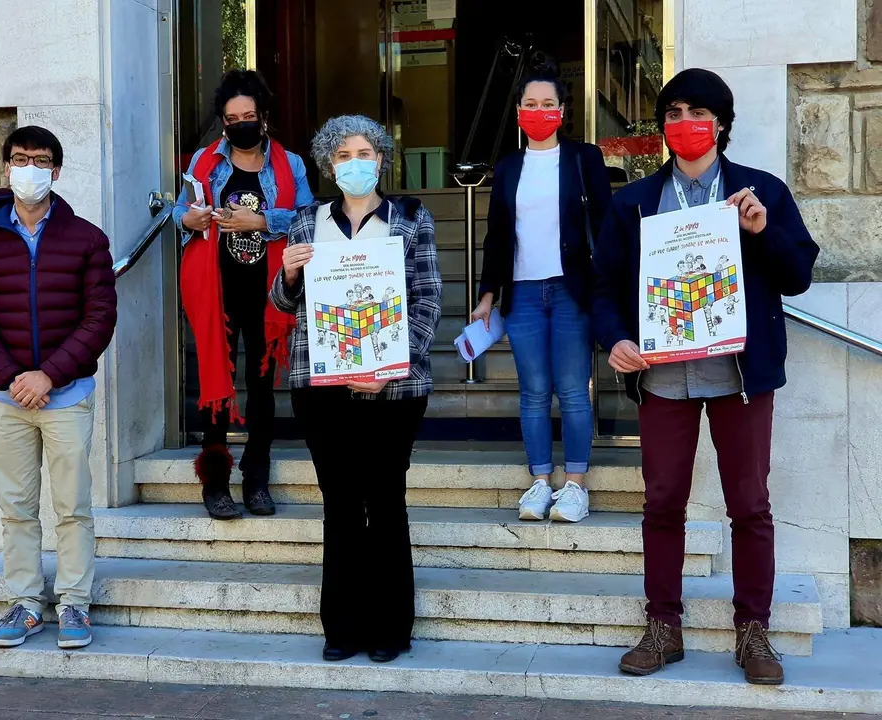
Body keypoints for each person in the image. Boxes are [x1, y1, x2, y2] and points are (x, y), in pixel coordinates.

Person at [592, 68, 820, 685]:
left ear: (720, 124)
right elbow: (605, 287)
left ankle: (754, 630)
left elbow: (798, 275)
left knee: (749, 504)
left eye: (697, 112)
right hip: (663, 377)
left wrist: (762, 231)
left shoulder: (760, 192)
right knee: (662, 502)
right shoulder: (634, 202)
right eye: (672, 113)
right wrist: (615, 338)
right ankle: (662, 626)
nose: (684, 123)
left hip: (739, 376)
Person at [270, 115, 442, 664]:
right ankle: (342, 628)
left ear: (382, 159)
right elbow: (284, 304)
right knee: (340, 503)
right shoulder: (306, 221)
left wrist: (392, 364)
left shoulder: (409, 218)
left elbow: (428, 299)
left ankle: (391, 628)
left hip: (394, 388)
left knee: (385, 500)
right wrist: (288, 275)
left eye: (364, 152)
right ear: (329, 164)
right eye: (343, 155)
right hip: (320, 387)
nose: (354, 163)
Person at [0, 126, 118, 650]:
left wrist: (49, 374)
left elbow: (99, 318)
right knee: (17, 508)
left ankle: (74, 602)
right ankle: (26, 603)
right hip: (6, 399)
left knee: (72, 507)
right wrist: (11, 378)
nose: (31, 169)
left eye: (42, 160)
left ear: (57, 170)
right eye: (21, 159)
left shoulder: (86, 238)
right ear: (6, 167)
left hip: (65, 395)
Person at [472, 60, 611, 524]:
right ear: (518, 111)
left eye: (547, 103)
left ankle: (575, 485)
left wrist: (609, 286)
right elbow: (496, 235)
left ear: (562, 110)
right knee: (532, 391)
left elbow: (604, 226)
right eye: (530, 104)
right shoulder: (509, 166)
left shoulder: (584, 158)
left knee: (572, 389)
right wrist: (487, 295)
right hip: (524, 292)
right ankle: (539, 481)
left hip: (572, 289)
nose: (539, 111)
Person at [174, 69, 314, 520]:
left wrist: (263, 221)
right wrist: (189, 219)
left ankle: (256, 478)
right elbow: (181, 210)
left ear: (263, 116)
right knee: (214, 383)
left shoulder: (290, 165)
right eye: (232, 119)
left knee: (260, 386)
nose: (240, 125)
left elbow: (308, 218)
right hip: (216, 290)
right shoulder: (205, 162)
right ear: (224, 122)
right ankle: (215, 482)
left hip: (270, 294)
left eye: (248, 116)